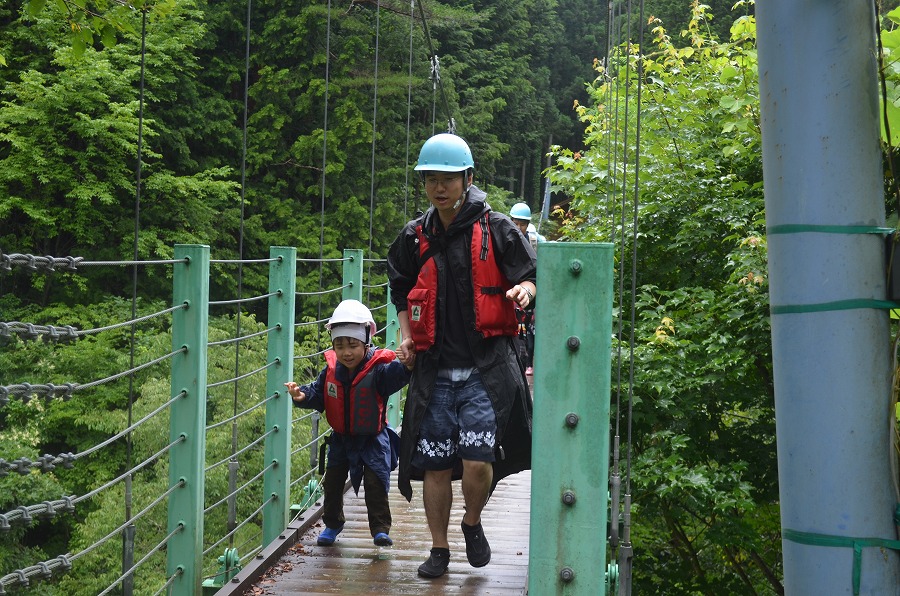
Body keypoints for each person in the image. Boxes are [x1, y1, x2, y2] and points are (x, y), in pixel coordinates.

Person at [387, 132, 536, 579]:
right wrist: (407, 333)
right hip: (433, 371)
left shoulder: (497, 229)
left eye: (448, 179)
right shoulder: (414, 237)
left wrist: (524, 292)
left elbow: (531, 275)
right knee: (433, 465)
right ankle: (438, 549)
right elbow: (399, 287)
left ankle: (471, 522)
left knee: (477, 460)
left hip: (484, 369)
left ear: (468, 179)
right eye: (431, 179)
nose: (438, 187)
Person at [284, 299, 411, 548]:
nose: (346, 352)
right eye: (339, 346)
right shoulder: (331, 371)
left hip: (373, 439)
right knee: (332, 484)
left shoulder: (379, 370)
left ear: (366, 342)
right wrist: (301, 396)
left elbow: (398, 375)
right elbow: (318, 393)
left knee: (376, 483)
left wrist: (408, 366)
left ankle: (380, 529)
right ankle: (333, 524)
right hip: (341, 440)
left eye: (353, 345)